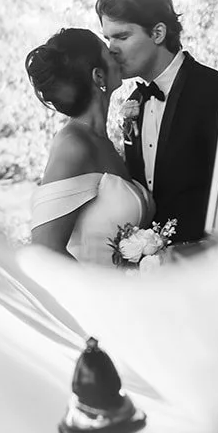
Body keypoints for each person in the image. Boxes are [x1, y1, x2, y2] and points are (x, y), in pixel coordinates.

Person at [96, 0, 218, 246]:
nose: (111, 49)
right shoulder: (133, 102)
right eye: (108, 38)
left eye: (122, 36)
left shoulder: (217, 91)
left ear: (157, 33)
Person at [25, 27, 154, 263]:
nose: (115, 52)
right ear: (98, 77)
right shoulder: (72, 145)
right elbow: (45, 251)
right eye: (108, 52)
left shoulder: (101, 140)